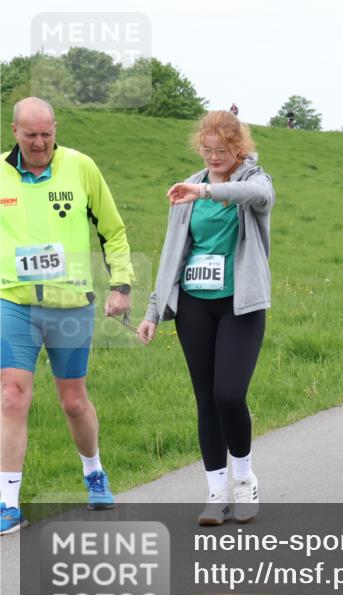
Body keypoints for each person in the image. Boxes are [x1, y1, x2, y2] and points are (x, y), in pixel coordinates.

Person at [1, 97, 135, 535]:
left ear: (55, 129)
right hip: (13, 302)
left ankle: (94, 472)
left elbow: (112, 230)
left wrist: (121, 285)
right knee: (11, 395)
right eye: (31, 135)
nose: (40, 144)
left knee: (73, 400)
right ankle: (7, 501)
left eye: (47, 134)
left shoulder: (80, 167)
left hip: (70, 305)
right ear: (15, 131)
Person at [137, 110, 275, 526]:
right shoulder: (189, 186)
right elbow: (171, 253)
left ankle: (245, 479)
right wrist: (153, 311)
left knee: (229, 394)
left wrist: (205, 194)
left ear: (239, 149)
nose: (214, 157)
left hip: (241, 304)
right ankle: (216, 492)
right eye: (208, 150)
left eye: (223, 151)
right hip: (195, 305)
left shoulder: (255, 180)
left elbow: (259, 199)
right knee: (205, 398)